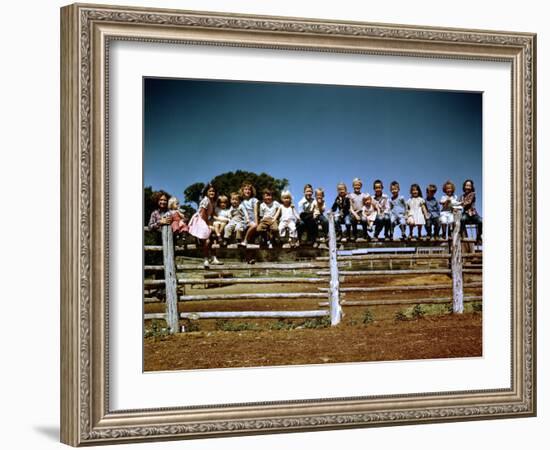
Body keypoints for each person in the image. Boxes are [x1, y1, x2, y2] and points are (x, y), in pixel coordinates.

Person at [188, 183, 222, 268]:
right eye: (210, 191)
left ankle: (214, 257)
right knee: (207, 240)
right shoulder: (205, 200)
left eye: (213, 191)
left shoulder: (213, 201)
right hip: (200, 220)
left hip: (207, 219)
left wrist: (220, 219)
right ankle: (206, 258)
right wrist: (208, 224)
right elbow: (203, 214)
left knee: (214, 238)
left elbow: (213, 213)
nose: (212, 192)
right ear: (206, 192)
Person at [460, 179, 482, 244]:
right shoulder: (462, 196)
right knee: (462, 219)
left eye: (469, 186)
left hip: (473, 213)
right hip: (466, 213)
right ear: (464, 186)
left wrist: (460, 204)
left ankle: (479, 236)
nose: (468, 187)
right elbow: (458, 203)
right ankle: (462, 234)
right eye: (466, 185)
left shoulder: (473, 194)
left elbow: (468, 202)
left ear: (471, 187)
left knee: (480, 221)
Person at [238, 182, 259, 247]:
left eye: (249, 189)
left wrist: (256, 222)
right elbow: (242, 214)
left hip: (253, 220)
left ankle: (245, 240)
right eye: (246, 189)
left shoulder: (254, 200)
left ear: (251, 191)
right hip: (245, 221)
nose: (247, 191)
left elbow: (255, 212)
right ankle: (243, 240)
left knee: (252, 240)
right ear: (243, 191)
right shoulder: (242, 203)